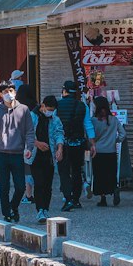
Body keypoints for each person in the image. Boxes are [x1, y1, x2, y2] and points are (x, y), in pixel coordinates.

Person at [0, 80, 35, 222]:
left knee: (20, 186)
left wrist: (29, 147)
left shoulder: (24, 109)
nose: (9, 94)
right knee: (4, 187)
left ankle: (14, 206)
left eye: (11, 91)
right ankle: (6, 213)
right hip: (1, 154)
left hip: (18, 153)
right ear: (0, 94)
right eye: (5, 91)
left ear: (15, 92)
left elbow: (29, 131)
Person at [57, 79, 96, 211]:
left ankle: (67, 198)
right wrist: (92, 144)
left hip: (62, 143)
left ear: (64, 91)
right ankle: (76, 199)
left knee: (64, 171)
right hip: (78, 143)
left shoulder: (58, 105)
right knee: (77, 171)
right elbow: (88, 126)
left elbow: (54, 125)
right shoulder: (82, 106)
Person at [90, 96, 124, 207]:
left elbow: (90, 135)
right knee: (111, 173)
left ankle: (102, 198)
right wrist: (116, 141)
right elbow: (123, 134)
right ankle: (114, 188)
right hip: (111, 151)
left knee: (99, 175)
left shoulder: (94, 120)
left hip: (98, 151)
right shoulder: (113, 119)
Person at [31, 95, 60, 220]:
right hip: (35, 155)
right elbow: (25, 133)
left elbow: (59, 133)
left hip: (49, 155)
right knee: (39, 182)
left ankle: (45, 209)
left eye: (52, 110)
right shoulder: (32, 116)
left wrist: (60, 148)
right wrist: (37, 143)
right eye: (49, 109)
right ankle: (40, 209)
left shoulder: (55, 119)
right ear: (42, 106)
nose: (50, 112)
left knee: (48, 184)